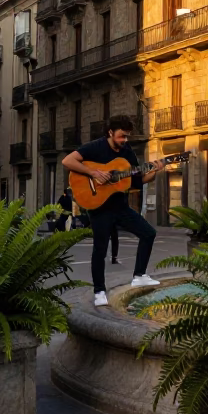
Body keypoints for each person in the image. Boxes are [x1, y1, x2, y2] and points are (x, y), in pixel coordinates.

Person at [62, 115, 167, 307]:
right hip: (99, 208)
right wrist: (94, 173)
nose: (124, 141)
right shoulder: (95, 147)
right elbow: (68, 161)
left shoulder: (127, 153)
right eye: (121, 136)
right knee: (100, 249)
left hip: (121, 207)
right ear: (110, 133)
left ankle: (139, 275)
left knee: (149, 233)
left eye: (126, 137)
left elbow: (136, 181)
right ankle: (99, 291)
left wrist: (154, 171)